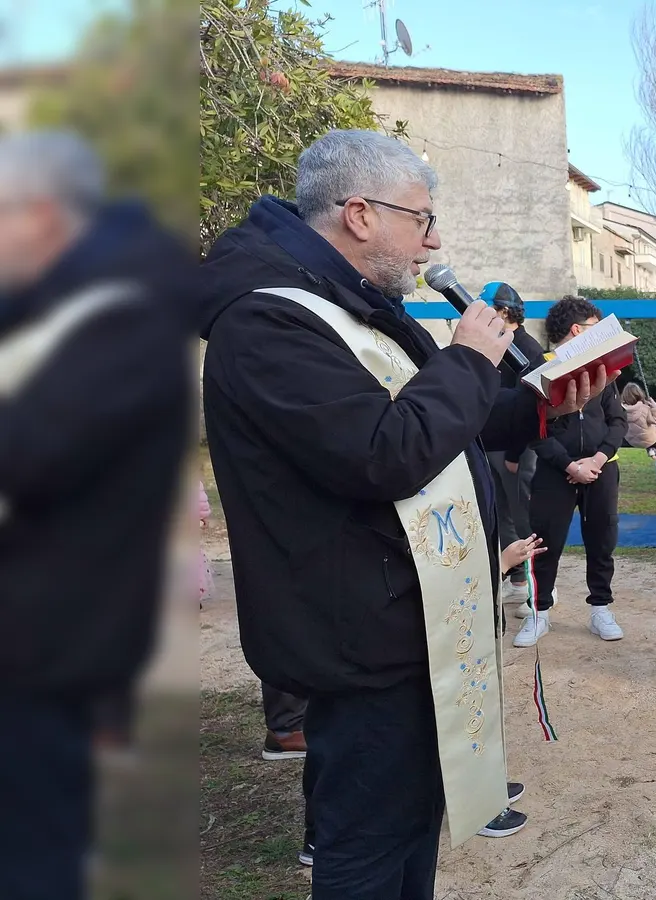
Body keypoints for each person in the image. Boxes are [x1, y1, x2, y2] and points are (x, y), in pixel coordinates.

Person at [200, 130, 608, 897]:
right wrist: (467, 360)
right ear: (360, 214)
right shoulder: (269, 323)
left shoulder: (353, 308)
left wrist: (537, 404)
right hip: (356, 635)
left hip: (409, 623)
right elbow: (384, 451)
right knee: (370, 851)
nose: (435, 241)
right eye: (422, 220)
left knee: (410, 834)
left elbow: (453, 424)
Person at [0, 132, 191, 900]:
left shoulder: (121, 316)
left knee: (28, 855)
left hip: (39, 644)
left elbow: (30, 455)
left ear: (41, 215)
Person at [521, 295, 629, 647]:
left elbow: (617, 420)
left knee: (602, 539)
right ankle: (539, 611)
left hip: (602, 470)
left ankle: (601, 608)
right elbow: (533, 428)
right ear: (577, 329)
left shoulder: (603, 371)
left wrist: (598, 460)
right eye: (596, 329)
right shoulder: (540, 368)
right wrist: (569, 465)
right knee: (544, 541)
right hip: (556, 472)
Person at [480, 281, 546, 614]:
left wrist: (515, 454)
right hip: (490, 445)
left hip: (517, 452)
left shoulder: (528, 350)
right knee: (500, 515)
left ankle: (542, 591)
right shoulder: (493, 343)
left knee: (524, 518)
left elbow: (530, 406)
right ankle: (518, 583)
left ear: (504, 311)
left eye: (486, 308)